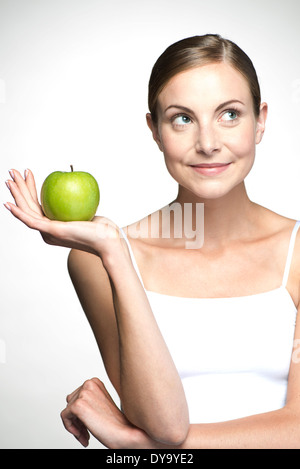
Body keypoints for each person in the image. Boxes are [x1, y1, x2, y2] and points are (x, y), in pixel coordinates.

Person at [4, 34, 300, 449]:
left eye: (229, 114)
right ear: (154, 130)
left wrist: (141, 449)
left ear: (261, 120)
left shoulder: (297, 253)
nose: (208, 142)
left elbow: (297, 428)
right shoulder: (96, 262)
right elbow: (163, 424)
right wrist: (114, 252)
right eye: (182, 118)